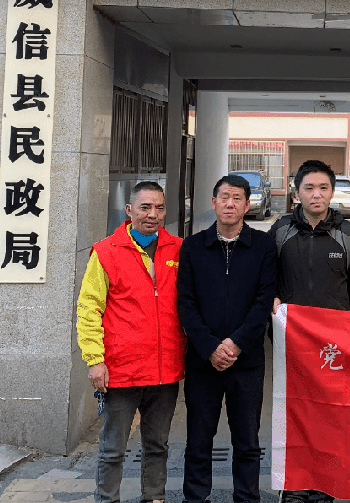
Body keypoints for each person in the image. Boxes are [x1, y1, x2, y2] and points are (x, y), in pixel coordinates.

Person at [76, 181, 185, 503]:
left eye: (159, 208)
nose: (153, 214)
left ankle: (154, 498)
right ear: (129, 210)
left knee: (157, 446)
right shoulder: (106, 251)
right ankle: (107, 499)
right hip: (122, 370)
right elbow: (89, 308)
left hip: (165, 371)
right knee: (113, 449)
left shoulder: (178, 249)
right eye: (145, 207)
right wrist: (95, 360)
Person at [270, 159, 350, 503]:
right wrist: (271, 301)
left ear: (332, 192)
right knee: (294, 413)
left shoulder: (346, 233)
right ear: (297, 193)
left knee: (329, 414)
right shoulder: (281, 230)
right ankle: (294, 485)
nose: (316, 194)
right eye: (309, 188)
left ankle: (325, 484)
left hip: (334, 344)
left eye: (323, 188)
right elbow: (265, 277)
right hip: (291, 342)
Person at [177, 174, 277, 503]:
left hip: (246, 362)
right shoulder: (193, 246)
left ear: (247, 205)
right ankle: (195, 497)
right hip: (202, 362)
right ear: (213, 203)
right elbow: (186, 303)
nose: (229, 204)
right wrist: (210, 347)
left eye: (237, 198)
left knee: (247, 441)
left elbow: (263, 301)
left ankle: (246, 497)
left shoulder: (262, 246)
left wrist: (235, 344)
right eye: (224, 197)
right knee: (198, 440)